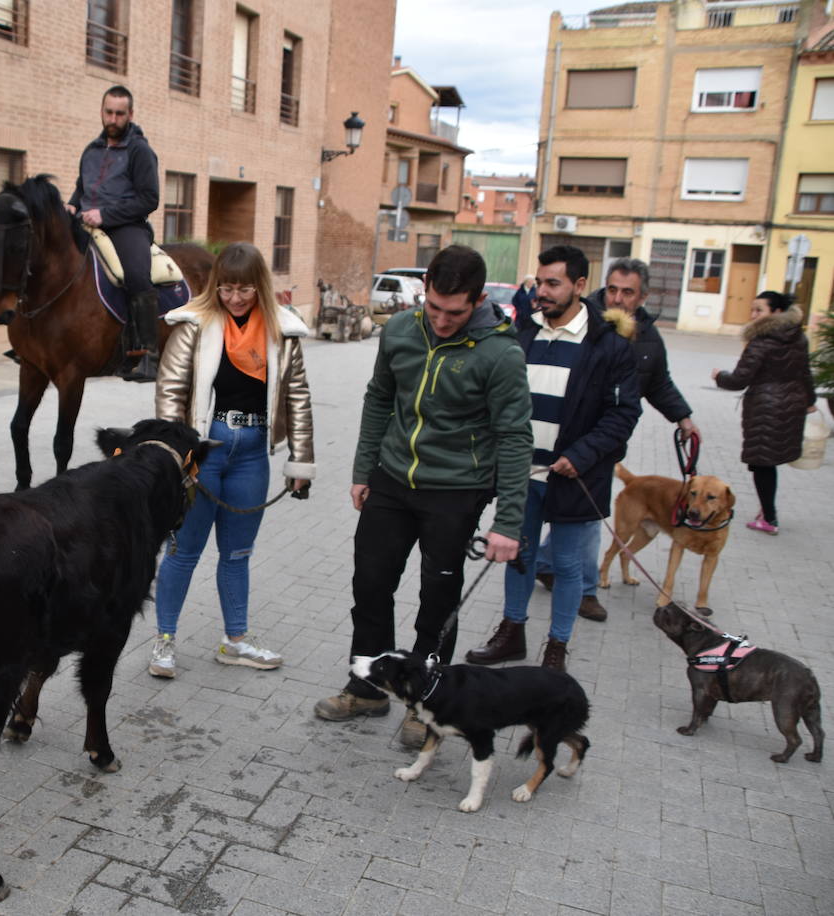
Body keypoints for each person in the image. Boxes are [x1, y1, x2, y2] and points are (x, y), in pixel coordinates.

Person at [313, 244, 533, 749]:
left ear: (477, 300)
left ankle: (428, 701)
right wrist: (363, 468)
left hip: (457, 490)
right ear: (423, 291)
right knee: (369, 585)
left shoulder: (501, 354)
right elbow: (379, 398)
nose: (440, 321)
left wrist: (509, 522)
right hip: (391, 478)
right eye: (432, 307)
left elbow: (517, 437)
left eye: (454, 312)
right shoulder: (400, 330)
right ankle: (366, 688)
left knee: (437, 600)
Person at [466, 245, 640, 672]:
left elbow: (623, 415)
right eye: (539, 282)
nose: (540, 292)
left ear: (580, 286)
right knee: (517, 554)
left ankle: (556, 649)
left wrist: (580, 456)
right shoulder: (522, 332)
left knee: (566, 566)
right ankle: (511, 634)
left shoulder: (609, 344)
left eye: (552, 284)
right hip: (521, 475)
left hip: (574, 476)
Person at [148, 242, 313, 678]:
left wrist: (302, 461)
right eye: (226, 288)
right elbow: (170, 393)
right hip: (206, 449)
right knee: (183, 551)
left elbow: (298, 398)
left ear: (259, 286)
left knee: (237, 553)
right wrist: (175, 456)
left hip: (254, 451)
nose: (235, 298)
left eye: (244, 289)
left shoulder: (283, 331)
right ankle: (164, 641)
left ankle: (235, 640)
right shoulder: (194, 325)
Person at [535, 258, 700, 622]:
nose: (617, 299)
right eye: (612, 289)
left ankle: (582, 587)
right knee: (567, 518)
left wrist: (683, 416)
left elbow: (657, 383)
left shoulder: (647, 339)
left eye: (627, 292)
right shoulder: (583, 321)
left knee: (589, 518)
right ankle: (553, 570)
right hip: (560, 439)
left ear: (642, 297)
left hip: (601, 446)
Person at [67, 85, 161, 380]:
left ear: (130, 115)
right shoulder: (91, 150)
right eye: (109, 112)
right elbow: (82, 188)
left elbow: (149, 199)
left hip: (126, 225)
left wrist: (106, 215)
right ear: (102, 112)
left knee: (135, 274)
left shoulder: (140, 151)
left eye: (120, 113)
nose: (113, 118)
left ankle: (149, 354)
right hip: (85, 220)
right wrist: (71, 206)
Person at [712, 291, 817, 535]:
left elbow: (739, 379)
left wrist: (719, 376)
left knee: (762, 463)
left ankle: (769, 518)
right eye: (753, 309)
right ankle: (767, 511)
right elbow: (805, 373)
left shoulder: (761, 340)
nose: (753, 315)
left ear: (776, 313)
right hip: (791, 406)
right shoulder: (798, 337)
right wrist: (809, 400)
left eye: (759, 310)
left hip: (765, 410)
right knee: (767, 462)